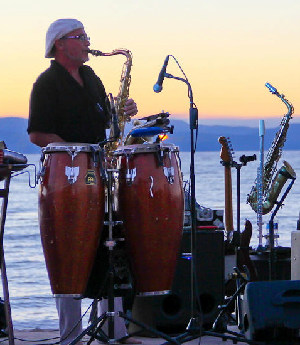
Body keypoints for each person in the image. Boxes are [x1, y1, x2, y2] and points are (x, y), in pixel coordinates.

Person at [27, 18, 140, 345]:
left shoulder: (91, 76)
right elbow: (37, 133)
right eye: (81, 37)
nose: (88, 42)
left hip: (99, 173)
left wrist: (122, 110)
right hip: (68, 177)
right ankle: (71, 336)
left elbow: (105, 120)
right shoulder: (46, 83)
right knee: (68, 252)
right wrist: (75, 152)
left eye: (86, 36)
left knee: (112, 244)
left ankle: (115, 332)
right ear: (60, 44)